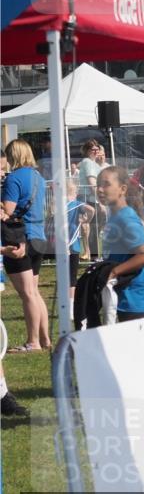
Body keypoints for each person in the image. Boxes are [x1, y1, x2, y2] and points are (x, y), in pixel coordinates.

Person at [1, 139, 50, 352]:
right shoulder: (38, 177)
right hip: (39, 236)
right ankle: (45, 339)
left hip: (20, 237)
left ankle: (33, 342)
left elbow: (8, 211)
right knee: (35, 292)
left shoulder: (14, 178)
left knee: (27, 293)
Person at [96, 165, 144, 321]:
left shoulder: (126, 218)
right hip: (125, 291)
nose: (100, 189)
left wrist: (113, 272)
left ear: (122, 189)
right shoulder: (116, 216)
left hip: (134, 295)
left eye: (106, 184)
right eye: (98, 185)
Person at [64, 177, 95, 300]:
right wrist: (87, 220)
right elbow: (91, 210)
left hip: (62, 244)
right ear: (75, 192)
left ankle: (66, 301)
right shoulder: (77, 205)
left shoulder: (58, 206)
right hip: (73, 245)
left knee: (64, 276)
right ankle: (71, 304)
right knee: (72, 277)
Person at [76, 139, 106, 260]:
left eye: (97, 149)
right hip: (87, 198)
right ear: (87, 151)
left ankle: (92, 255)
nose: (95, 151)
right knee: (89, 227)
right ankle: (89, 254)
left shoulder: (94, 163)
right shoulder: (88, 162)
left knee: (94, 227)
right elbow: (92, 183)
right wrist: (101, 200)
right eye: (92, 149)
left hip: (93, 199)